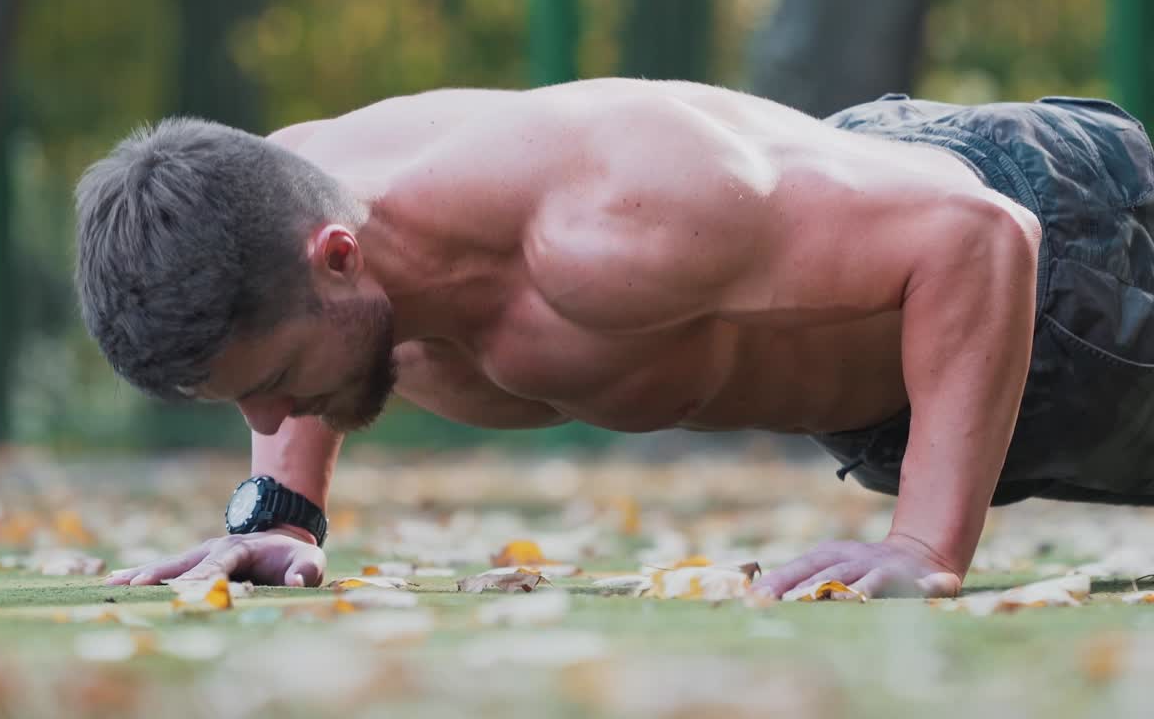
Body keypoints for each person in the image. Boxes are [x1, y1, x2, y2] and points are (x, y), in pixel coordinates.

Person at [75, 79, 1154, 598]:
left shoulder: (609, 219)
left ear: (342, 256)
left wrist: (923, 547)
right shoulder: (283, 190)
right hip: (910, 381)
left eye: (267, 383)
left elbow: (980, 238)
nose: (266, 419)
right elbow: (292, 337)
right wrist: (281, 511)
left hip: (1060, 270)